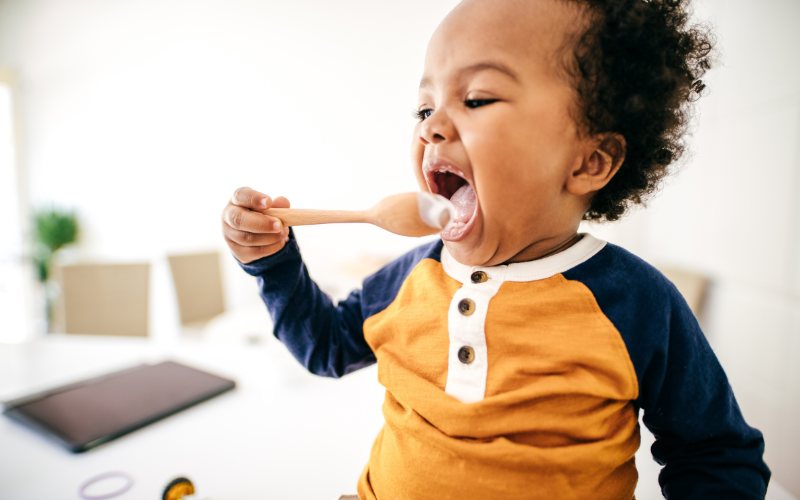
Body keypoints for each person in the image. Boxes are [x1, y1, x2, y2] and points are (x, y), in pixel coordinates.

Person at [221, 0, 770, 498]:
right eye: (423, 108)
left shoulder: (636, 304)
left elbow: (716, 457)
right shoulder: (410, 278)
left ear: (589, 161)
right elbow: (326, 348)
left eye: (477, 97)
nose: (432, 126)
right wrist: (272, 263)